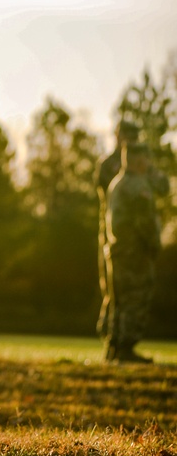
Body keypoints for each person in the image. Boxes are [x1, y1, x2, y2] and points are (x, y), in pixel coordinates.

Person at [102, 141, 161, 364]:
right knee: (135, 299)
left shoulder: (117, 183)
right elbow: (144, 219)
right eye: (145, 158)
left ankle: (114, 349)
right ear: (138, 160)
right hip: (133, 252)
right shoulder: (137, 185)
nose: (147, 163)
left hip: (117, 250)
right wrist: (153, 243)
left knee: (118, 301)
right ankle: (126, 349)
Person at [95, 120, 140, 342]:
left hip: (135, 235)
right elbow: (112, 192)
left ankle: (120, 337)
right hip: (111, 232)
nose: (130, 141)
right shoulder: (108, 164)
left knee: (131, 289)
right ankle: (110, 334)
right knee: (112, 287)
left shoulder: (140, 166)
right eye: (127, 136)